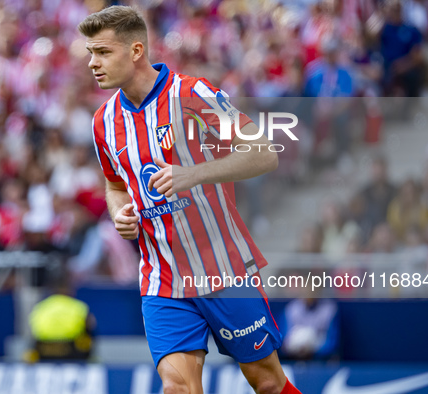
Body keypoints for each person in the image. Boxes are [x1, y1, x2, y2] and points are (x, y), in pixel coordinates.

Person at [79, 6, 301, 394]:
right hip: (162, 278)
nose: (92, 63)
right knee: (177, 387)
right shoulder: (103, 122)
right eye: (90, 53)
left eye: (102, 52)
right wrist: (119, 214)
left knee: (265, 381)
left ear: (135, 50)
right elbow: (115, 186)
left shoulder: (192, 94)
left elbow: (264, 153)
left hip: (222, 268)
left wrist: (193, 173)